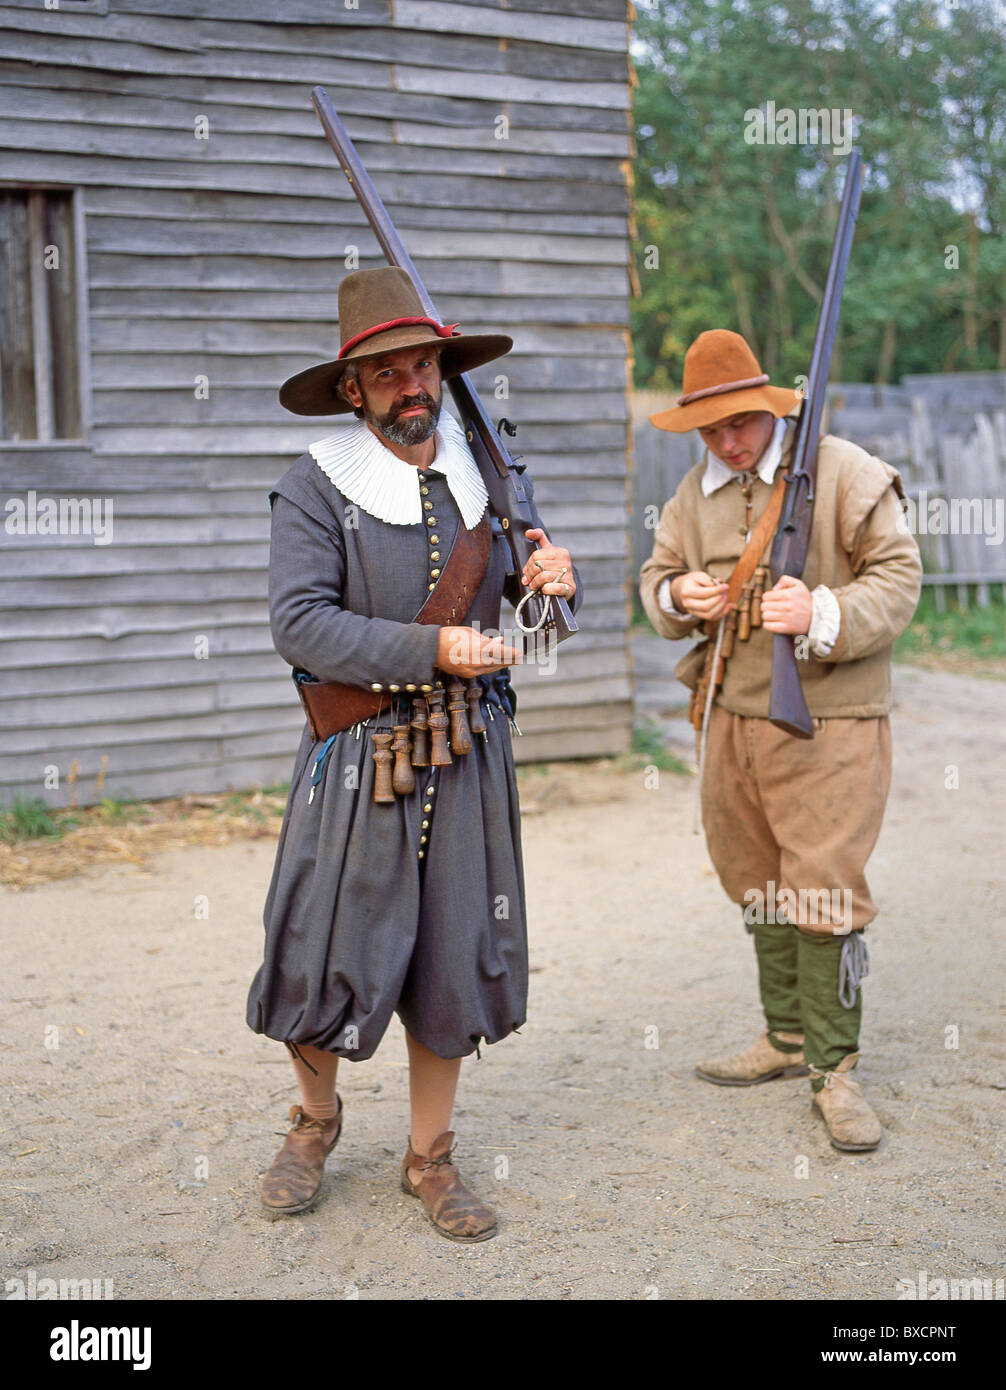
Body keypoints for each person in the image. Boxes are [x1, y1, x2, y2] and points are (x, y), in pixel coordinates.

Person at [247, 266, 581, 1239]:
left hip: (468, 754)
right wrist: (430, 648)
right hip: (353, 758)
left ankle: (429, 1157)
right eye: (384, 372)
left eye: (421, 364)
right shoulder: (313, 488)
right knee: (319, 948)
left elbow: (537, 626)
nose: (409, 387)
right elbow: (299, 626)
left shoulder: (494, 480)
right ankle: (313, 1123)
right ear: (351, 388)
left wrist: (552, 587)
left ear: (442, 369)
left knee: (452, 953)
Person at [639, 329, 921, 1152]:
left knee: (824, 885)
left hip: (832, 719)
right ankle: (786, 1042)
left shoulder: (848, 473)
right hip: (731, 715)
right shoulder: (694, 492)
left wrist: (821, 613)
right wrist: (679, 594)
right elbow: (653, 581)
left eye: (742, 424)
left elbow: (899, 580)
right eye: (713, 428)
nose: (729, 441)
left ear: (769, 409)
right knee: (754, 876)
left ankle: (836, 1071)